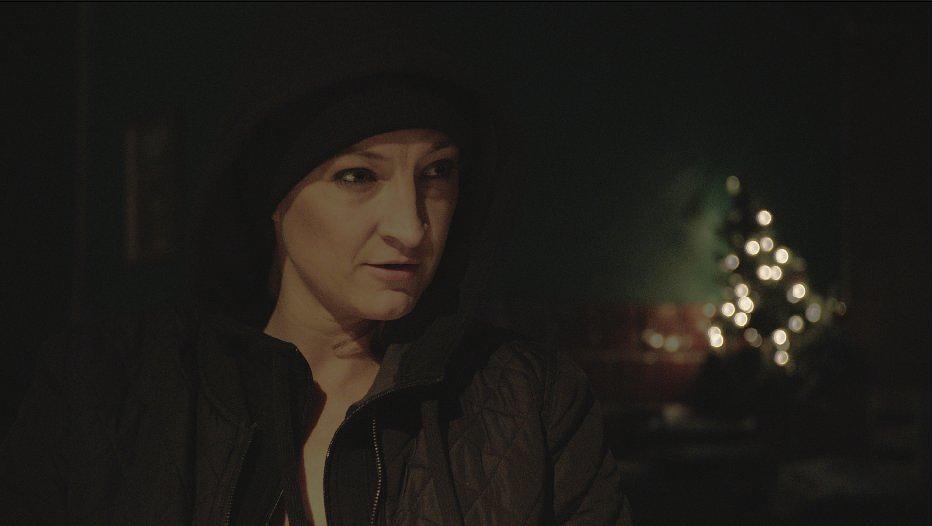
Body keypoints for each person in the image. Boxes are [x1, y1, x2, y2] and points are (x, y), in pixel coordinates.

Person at [0, 12, 633, 526]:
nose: (411, 227)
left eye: (437, 173)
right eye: (358, 176)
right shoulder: (104, 389)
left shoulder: (531, 401)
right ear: (272, 197)